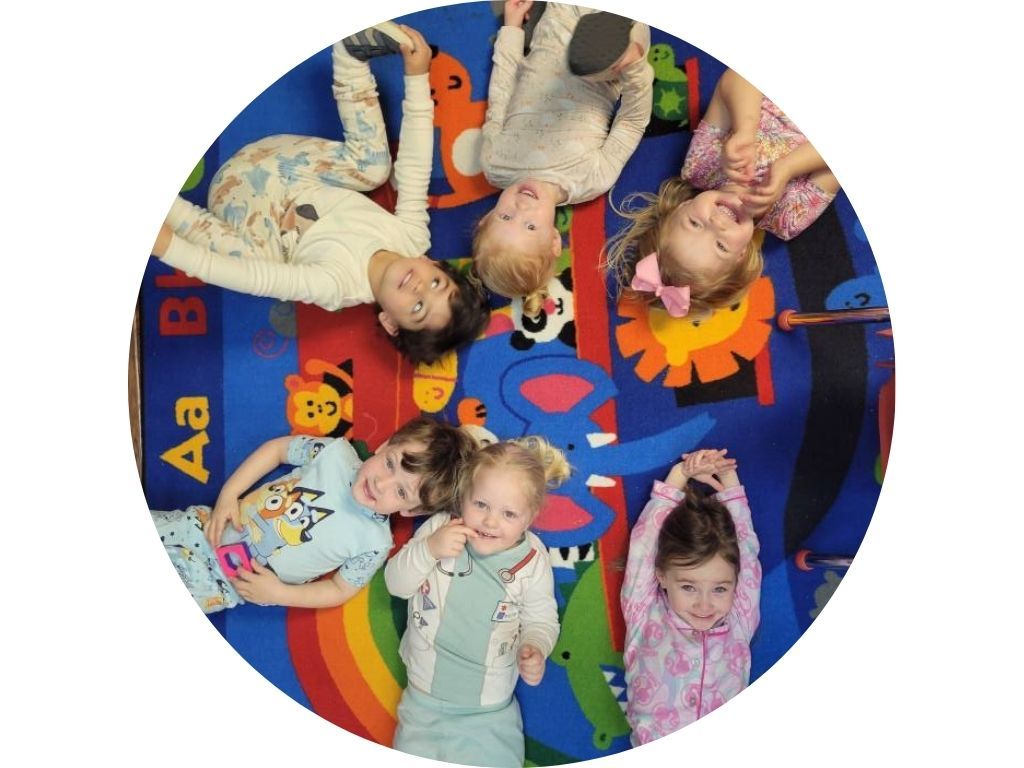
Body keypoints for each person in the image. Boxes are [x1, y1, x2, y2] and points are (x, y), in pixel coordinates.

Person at [150, 23, 489, 364]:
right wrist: (417, 77)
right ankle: (351, 59)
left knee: (259, 262)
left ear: (390, 323)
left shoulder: (336, 285)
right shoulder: (412, 238)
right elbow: (416, 166)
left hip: (237, 200)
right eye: (436, 284)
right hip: (280, 162)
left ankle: (166, 212)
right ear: (432, 263)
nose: (419, 289)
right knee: (374, 169)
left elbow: (254, 278)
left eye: (417, 309)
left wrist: (170, 248)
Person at [150, 415, 476, 613]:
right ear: (385, 445)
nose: (381, 483)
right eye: (390, 463)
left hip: (223, 586)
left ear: (410, 510)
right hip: (202, 527)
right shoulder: (335, 453)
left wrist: (281, 594)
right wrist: (229, 494)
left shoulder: (375, 543)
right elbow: (277, 450)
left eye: (401, 492)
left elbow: (338, 590)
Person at [384, 436, 571, 767]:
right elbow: (396, 584)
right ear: (463, 497)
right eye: (481, 504)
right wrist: (429, 550)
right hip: (421, 703)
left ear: (530, 517)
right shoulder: (441, 528)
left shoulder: (532, 560)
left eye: (509, 513)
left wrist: (535, 647)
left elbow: (541, 619)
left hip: (490, 712)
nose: (490, 521)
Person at [603, 68, 840, 319]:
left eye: (695, 223)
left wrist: (744, 129)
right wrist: (788, 167)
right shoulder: (788, 218)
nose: (717, 224)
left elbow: (736, 78)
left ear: (681, 206)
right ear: (741, 256)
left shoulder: (702, 164)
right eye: (721, 246)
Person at [474, 2, 654, 316]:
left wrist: (511, 30)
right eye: (530, 226)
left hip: (554, 26)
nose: (521, 208)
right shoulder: (588, 180)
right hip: (613, 57)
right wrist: (635, 67)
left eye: (505, 217)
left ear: (486, 218)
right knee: (619, 42)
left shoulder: (494, 164)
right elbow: (631, 122)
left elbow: (500, 96)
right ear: (555, 241)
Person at [621, 448, 761, 744]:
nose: (704, 604)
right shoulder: (644, 612)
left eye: (720, 588)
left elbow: (746, 553)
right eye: (688, 587)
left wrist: (728, 477)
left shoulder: (739, 616)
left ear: (735, 584)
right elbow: (644, 547)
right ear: (661, 575)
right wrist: (679, 476)